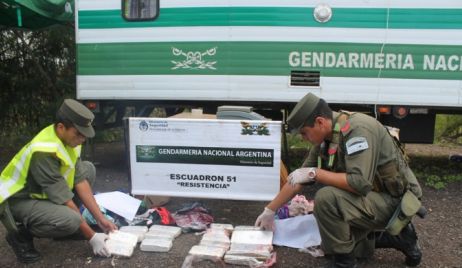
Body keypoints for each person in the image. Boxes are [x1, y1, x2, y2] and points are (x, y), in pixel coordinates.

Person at [255, 93, 423, 267]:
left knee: (327, 199)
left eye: (304, 133)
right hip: (373, 197)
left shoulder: (358, 130)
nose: (304, 139)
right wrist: (270, 210)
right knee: (334, 243)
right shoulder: (326, 138)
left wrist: (316, 173)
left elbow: (359, 183)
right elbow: (298, 179)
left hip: (394, 200)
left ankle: (345, 263)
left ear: (320, 122)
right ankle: (398, 238)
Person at [0, 99, 117, 263]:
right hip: (19, 200)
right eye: (78, 133)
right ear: (61, 127)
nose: (82, 138)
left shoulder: (70, 139)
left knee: (87, 169)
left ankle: (69, 227)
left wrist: (99, 218)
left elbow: (80, 180)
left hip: (44, 193)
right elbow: (62, 197)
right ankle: (20, 234)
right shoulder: (43, 151)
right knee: (71, 219)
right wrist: (91, 236)